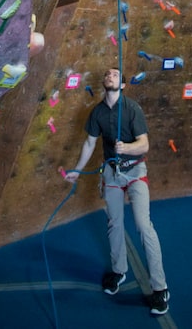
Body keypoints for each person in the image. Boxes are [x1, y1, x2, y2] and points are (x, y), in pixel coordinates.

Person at [64, 68, 170, 316]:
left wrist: (129, 147)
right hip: (111, 173)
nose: (110, 76)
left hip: (135, 172)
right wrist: (78, 170)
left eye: (115, 75)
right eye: (108, 74)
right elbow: (90, 142)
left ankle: (160, 288)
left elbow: (144, 143)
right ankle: (119, 270)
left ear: (122, 85)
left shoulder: (132, 108)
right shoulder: (97, 112)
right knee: (114, 223)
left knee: (144, 226)